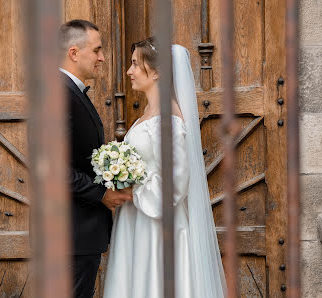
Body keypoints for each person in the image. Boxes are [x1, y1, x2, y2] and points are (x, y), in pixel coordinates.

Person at [103, 38, 227, 298]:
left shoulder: (167, 119)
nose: (129, 71)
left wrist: (131, 190)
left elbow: (175, 183)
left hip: (158, 227)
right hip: (138, 221)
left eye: (136, 64)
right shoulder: (148, 113)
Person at [59, 19, 132, 298]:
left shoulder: (72, 92)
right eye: (97, 50)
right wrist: (102, 194)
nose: (103, 57)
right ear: (74, 53)